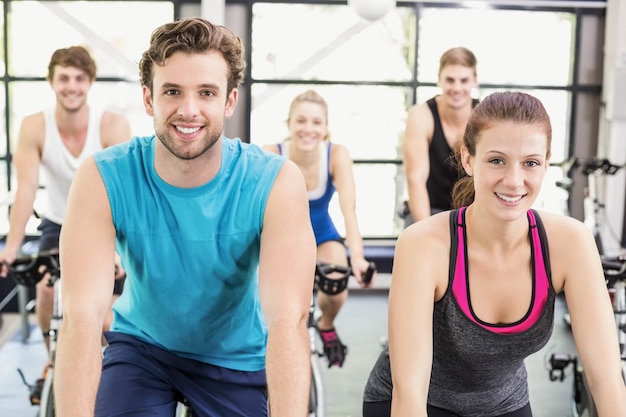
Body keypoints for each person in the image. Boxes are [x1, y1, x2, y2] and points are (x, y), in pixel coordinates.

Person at [54, 17, 316, 417]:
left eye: (207, 93)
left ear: (229, 101)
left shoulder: (275, 181)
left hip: (236, 355)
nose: (188, 110)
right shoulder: (102, 177)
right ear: (148, 99)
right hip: (142, 348)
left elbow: (288, 322)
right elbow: (80, 320)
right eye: (172, 91)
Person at [363, 91, 626, 417]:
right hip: (413, 402)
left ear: (546, 163)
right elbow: (410, 391)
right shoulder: (424, 245)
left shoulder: (571, 243)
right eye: (497, 160)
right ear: (469, 160)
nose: (514, 181)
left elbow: (606, 380)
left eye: (530, 163)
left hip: (503, 403)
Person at [0, 45, 130, 404]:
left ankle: (107, 366)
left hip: (108, 224)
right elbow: (25, 189)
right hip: (59, 223)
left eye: (78, 78)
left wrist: (119, 248)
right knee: (45, 291)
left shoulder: (111, 125)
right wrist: (12, 246)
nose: (71, 86)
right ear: (51, 81)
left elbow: (124, 193)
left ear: (89, 82)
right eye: (64, 78)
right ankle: (52, 359)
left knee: (104, 317)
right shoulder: (34, 126)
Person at [263, 89, 373, 368]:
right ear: (289, 123)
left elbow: (350, 210)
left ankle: (326, 324)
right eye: (301, 121)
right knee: (279, 306)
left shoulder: (336, 154)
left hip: (321, 234)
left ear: (325, 127)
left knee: (337, 285)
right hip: (280, 237)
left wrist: (357, 257)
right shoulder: (271, 155)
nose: (308, 129)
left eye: (316, 122)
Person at [402, 47, 479, 224]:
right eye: (450, 80)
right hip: (429, 209)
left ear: (474, 80)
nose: (457, 88)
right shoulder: (421, 116)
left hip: (472, 212)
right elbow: (415, 178)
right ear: (439, 79)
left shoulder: (485, 117)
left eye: (464, 80)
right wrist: (426, 231)